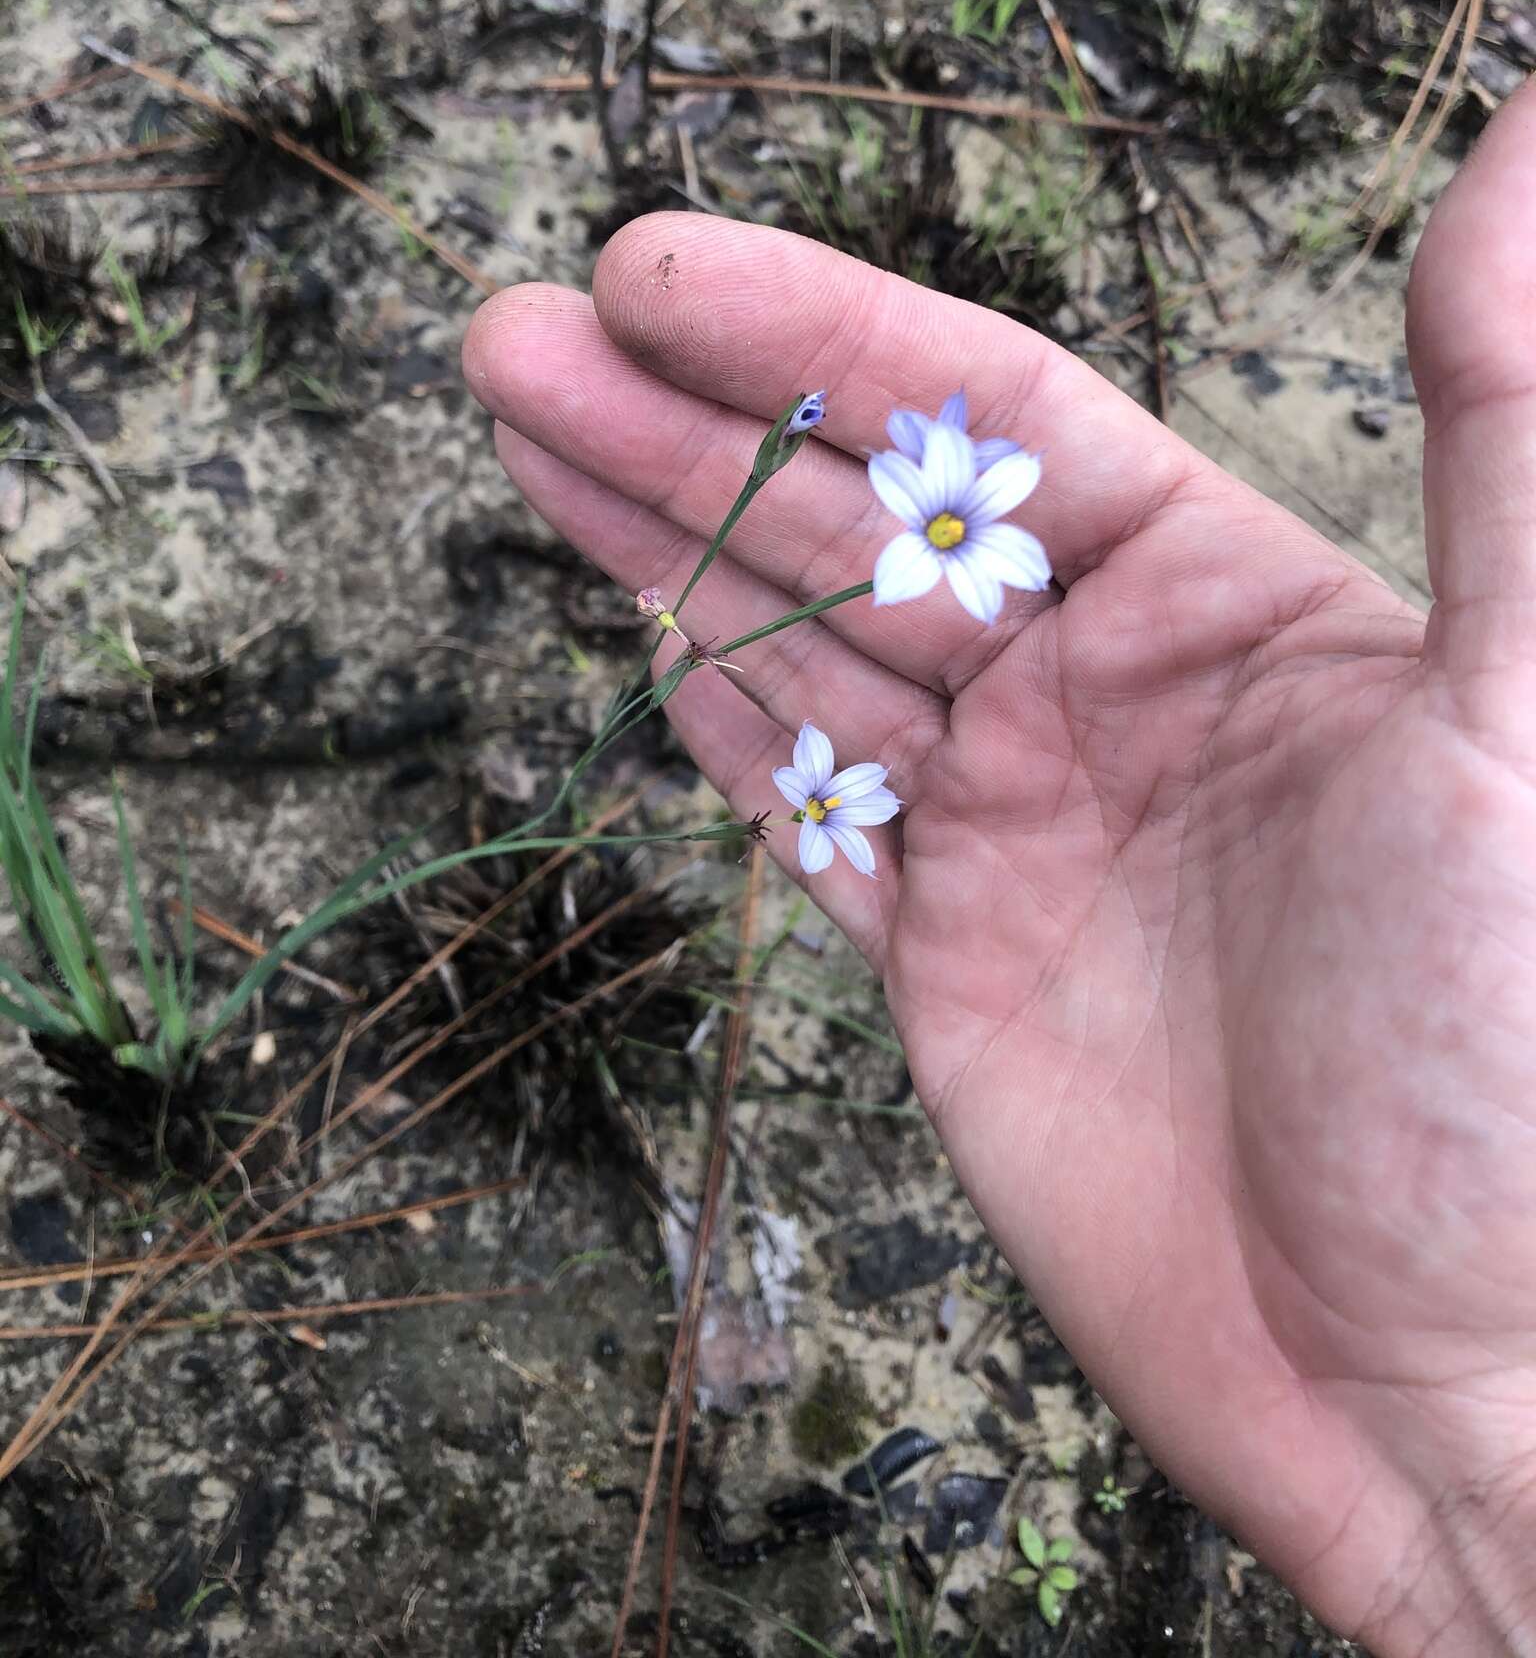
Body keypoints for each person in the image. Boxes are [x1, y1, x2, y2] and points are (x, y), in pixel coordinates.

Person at [462, 81, 1536, 1657]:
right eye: (947, 526)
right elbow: (958, 542)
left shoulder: (977, 547)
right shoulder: (943, 539)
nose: (963, 541)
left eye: (964, 531)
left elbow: (977, 548)